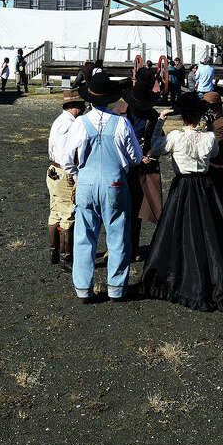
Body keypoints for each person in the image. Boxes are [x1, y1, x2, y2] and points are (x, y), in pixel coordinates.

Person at [139, 95, 223, 311]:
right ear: (200, 116)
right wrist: (207, 126)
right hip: (205, 187)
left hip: (183, 187)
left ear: (182, 117)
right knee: (212, 232)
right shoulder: (209, 138)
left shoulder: (175, 137)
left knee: (178, 232)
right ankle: (213, 274)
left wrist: (160, 120)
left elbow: (155, 147)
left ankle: (183, 276)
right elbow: (215, 152)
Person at [59, 72, 144, 302]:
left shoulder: (79, 123)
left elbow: (66, 158)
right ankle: (116, 288)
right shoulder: (122, 123)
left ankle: (83, 288)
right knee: (117, 235)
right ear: (111, 98)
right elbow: (136, 157)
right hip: (115, 182)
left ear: (89, 99)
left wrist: (77, 175)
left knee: (84, 236)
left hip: (86, 182)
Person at [120, 70, 165, 262]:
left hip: (141, 169)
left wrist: (150, 155)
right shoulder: (119, 112)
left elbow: (159, 142)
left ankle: (133, 246)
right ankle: (118, 247)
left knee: (137, 208)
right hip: (121, 168)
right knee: (118, 209)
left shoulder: (153, 116)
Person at [46, 90, 84, 270]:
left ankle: (54, 251)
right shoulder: (69, 125)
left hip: (53, 170)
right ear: (75, 107)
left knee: (55, 212)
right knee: (68, 215)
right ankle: (66, 257)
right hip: (63, 172)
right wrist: (75, 175)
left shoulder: (60, 121)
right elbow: (66, 156)